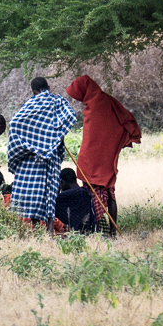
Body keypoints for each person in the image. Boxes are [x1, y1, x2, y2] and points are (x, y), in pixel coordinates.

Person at [64, 74, 141, 232]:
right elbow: (119, 123)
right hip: (107, 158)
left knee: (92, 195)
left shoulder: (94, 106)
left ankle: (95, 227)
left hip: (92, 160)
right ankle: (112, 230)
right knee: (110, 193)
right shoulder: (107, 101)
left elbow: (95, 136)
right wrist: (115, 144)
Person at [7, 77, 78, 229]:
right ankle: (50, 233)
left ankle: (29, 228)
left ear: (33, 91)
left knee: (31, 194)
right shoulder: (58, 103)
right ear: (49, 87)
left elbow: (14, 123)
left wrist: (32, 145)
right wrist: (52, 139)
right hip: (51, 158)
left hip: (31, 159)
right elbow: (70, 117)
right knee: (49, 195)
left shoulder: (31, 105)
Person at [55, 168, 99, 233]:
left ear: (62, 182)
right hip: (86, 230)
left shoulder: (62, 197)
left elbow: (53, 205)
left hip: (68, 231)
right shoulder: (86, 192)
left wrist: (58, 189)